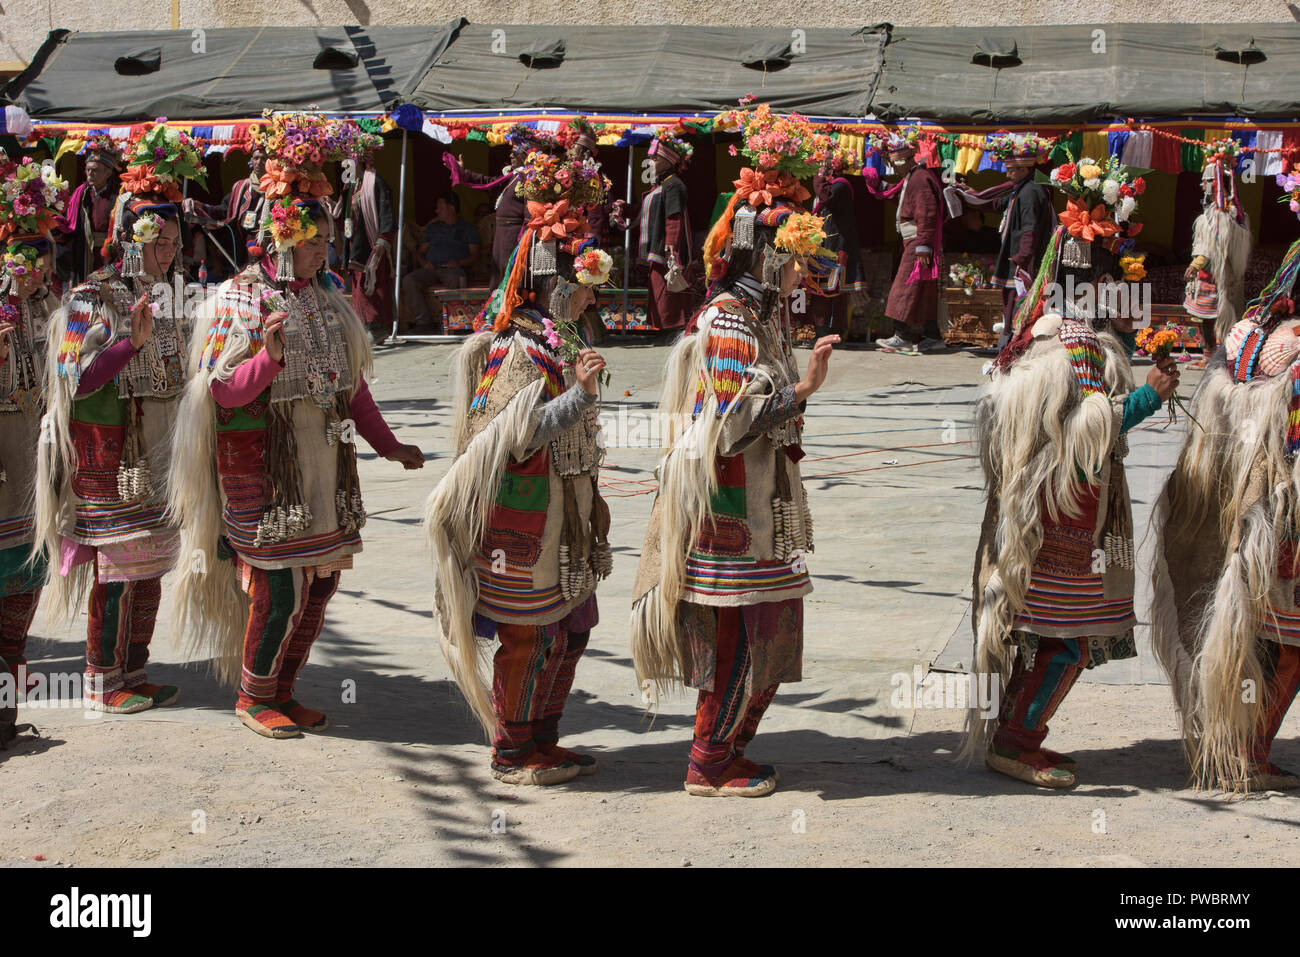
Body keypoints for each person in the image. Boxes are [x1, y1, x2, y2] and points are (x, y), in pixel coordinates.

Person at [171, 113, 425, 740]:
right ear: (284, 238)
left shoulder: (326, 298)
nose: (324, 251)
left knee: (322, 581)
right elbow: (222, 392)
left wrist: (389, 445)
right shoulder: (235, 300)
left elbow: (352, 387)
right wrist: (270, 359)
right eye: (314, 242)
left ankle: (283, 687)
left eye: (326, 243)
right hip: (266, 466)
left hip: (325, 462)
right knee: (279, 587)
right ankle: (253, 695)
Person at [629, 102, 840, 798]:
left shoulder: (759, 318)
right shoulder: (729, 321)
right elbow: (728, 421)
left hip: (758, 506)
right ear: (770, 255)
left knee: (767, 631)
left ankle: (722, 752)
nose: (803, 276)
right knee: (740, 637)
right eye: (796, 262)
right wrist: (803, 388)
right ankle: (708, 760)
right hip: (729, 513)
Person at [966, 155, 1176, 789]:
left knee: (1047, 633)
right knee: (1067, 639)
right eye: (1116, 267)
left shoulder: (1042, 331)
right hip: (1063, 519)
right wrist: (1147, 399)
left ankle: (1013, 732)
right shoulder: (1074, 341)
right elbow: (1084, 429)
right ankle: (1016, 740)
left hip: (1052, 512)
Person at [425, 151, 614, 785]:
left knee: (572, 630)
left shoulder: (565, 340)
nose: (591, 291)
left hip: (565, 514)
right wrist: (579, 399)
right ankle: (512, 750)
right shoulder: (520, 347)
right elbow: (512, 434)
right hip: (524, 521)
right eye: (583, 277)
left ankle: (544, 739)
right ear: (551, 281)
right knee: (532, 637)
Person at [35, 122, 207, 714]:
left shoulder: (177, 297)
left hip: (164, 454)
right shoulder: (89, 296)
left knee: (152, 565)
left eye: (173, 241)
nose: (169, 252)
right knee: (118, 567)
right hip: (114, 455)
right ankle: (101, 680)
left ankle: (134, 670)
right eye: (159, 241)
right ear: (132, 239)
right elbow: (73, 378)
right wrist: (126, 347)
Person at [1151, 222, 1300, 793]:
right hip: (1281, 514)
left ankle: (1229, 740)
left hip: (1235, 506)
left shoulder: (1242, 337)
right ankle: (1246, 751)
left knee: (1250, 629)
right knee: (1284, 639)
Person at [0, 157, 69, 744]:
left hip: (34, 470)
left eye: (44, 257)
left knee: (24, 587)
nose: (38, 269)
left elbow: (74, 379)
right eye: (26, 257)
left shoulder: (50, 309)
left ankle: (6, 710)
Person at [945, 133, 1056, 347]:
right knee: (1011, 301)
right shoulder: (1021, 190)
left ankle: (1016, 344)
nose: (1008, 174)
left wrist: (1023, 257)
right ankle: (1010, 341)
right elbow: (997, 205)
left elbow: (1030, 228)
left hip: (1024, 261)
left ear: (1025, 169)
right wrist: (971, 195)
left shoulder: (1030, 192)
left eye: (1012, 170)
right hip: (1018, 258)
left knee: (1020, 302)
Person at [444, 124, 564, 289]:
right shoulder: (514, 176)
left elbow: (531, 216)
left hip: (512, 237)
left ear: (525, 155)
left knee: (508, 279)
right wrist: (464, 173)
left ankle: (508, 312)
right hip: (502, 234)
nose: (510, 155)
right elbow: (489, 182)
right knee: (498, 277)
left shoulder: (530, 179)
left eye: (514, 153)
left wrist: (523, 244)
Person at [875, 130, 945, 356]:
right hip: (916, 241)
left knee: (904, 287)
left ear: (906, 160)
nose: (894, 169)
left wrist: (923, 245)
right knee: (922, 290)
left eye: (896, 164)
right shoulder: (914, 178)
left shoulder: (920, 179)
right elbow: (902, 199)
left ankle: (902, 336)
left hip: (918, 242)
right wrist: (879, 185)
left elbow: (927, 213)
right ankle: (932, 336)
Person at [1182, 140, 1252, 360]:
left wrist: (1196, 264)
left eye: (1206, 182)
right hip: (1221, 276)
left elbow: (1209, 247)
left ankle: (1214, 355)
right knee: (1212, 316)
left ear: (1215, 183)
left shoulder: (1218, 218)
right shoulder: (1236, 217)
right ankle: (1213, 355)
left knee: (1211, 317)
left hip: (1215, 276)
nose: (1202, 186)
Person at [182, 136, 269, 275]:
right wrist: (198, 207)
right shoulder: (241, 187)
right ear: (251, 161)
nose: (259, 162)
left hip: (268, 251)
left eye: (263, 158)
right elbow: (223, 212)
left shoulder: (277, 188)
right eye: (256, 158)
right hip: (242, 252)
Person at [805, 148, 865, 342]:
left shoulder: (839, 186)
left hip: (835, 248)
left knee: (829, 293)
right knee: (822, 291)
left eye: (822, 167)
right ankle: (824, 332)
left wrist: (818, 178)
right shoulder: (831, 187)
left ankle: (829, 333)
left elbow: (825, 198)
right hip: (825, 247)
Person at [637, 131, 694, 334]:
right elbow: (644, 213)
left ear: (667, 160)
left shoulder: (673, 185)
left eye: (654, 158)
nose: (650, 161)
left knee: (667, 288)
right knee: (659, 287)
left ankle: (672, 328)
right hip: (659, 245)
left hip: (667, 247)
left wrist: (672, 243)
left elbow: (674, 216)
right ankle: (663, 326)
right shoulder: (660, 185)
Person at [401, 192, 479, 332]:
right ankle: (424, 323)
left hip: (452, 269)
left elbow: (474, 255)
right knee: (409, 280)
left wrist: (459, 263)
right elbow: (420, 251)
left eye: (440, 207)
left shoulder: (468, 228)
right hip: (431, 268)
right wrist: (424, 262)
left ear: (451, 208)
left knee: (457, 279)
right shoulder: (433, 228)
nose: (436, 211)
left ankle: (456, 322)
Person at [343, 154, 397, 334]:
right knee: (359, 286)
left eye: (350, 160)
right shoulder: (351, 186)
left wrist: (383, 239)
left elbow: (386, 212)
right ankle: (365, 327)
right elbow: (344, 213)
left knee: (374, 285)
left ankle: (378, 327)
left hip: (372, 242)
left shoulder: (375, 183)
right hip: (356, 244)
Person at [58, 135, 122, 283]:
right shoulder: (80, 194)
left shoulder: (118, 194)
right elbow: (70, 223)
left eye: (95, 170)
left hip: (108, 252)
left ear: (108, 173)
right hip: (84, 250)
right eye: (88, 170)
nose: (90, 174)